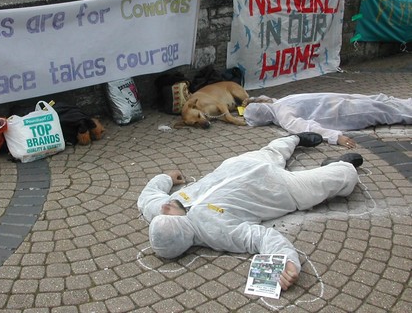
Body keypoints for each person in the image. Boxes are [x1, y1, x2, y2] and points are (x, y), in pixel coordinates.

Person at [138, 133, 362, 291]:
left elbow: (147, 196)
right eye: (168, 214)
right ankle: (341, 164)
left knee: (274, 149)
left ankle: (296, 138)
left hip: (238, 166)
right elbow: (262, 237)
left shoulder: (164, 207)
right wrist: (286, 261)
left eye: (163, 211)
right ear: (182, 230)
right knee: (342, 178)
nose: (166, 206)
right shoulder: (216, 230)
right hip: (279, 188)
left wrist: (166, 177)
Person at [244, 93, 412, 148]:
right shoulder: (281, 103)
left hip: (340, 111)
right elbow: (304, 126)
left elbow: (304, 127)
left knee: (384, 109)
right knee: (382, 104)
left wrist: (334, 137)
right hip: (338, 104)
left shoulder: (281, 112)